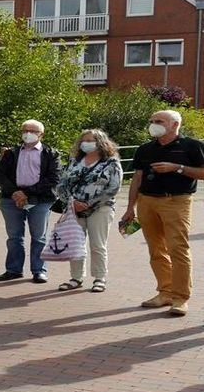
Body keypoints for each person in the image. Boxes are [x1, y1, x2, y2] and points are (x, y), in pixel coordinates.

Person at [120, 110, 204, 316]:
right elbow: (137, 178)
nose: (153, 124)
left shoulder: (192, 146)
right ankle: (165, 292)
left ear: (174, 124)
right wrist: (130, 207)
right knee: (156, 250)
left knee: (178, 249)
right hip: (147, 202)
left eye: (159, 121)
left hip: (176, 201)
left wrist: (177, 167)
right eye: (152, 121)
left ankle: (180, 298)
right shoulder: (145, 149)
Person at [54, 129, 123, 293]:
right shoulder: (74, 161)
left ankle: (99, 278)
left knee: (98, 244)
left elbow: (114, 188)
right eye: (83, 140)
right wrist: (72, 202)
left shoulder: (111, 163)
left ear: (101, 142)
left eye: (90, 140)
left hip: (101, 208)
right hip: (73, 208)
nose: (86, 143)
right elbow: (61, 184)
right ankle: (76, 278)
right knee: (75, 243)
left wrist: (89, 203)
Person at [0, 119, 61, 283]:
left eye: (32, 131)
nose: (28, 134)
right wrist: (16, 193)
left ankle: (39, 270)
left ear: (41, 134)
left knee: (39, 237)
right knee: (14, 237)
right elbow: (1, 176)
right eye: (25, 130)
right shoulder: (11, 153)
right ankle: (13, 270)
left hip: (40, 199)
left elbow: (54, 178)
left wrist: (26, 193)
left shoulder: (52, 154)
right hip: (11, 199)